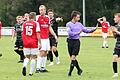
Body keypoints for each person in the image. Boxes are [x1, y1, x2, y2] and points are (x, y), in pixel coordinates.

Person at [66, 11, 97, 76]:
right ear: (74, 17)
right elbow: (70, 34)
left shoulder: (80, 24)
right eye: (78, 17)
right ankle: (79, 70)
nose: (79, 18)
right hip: (70, 41)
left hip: (76, 42)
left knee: (73, 57)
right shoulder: (68, 24)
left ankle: (70, 73)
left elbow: (86, 30)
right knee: (72, 58)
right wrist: (78, 33)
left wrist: (94, 29)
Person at [36, 5, 57, 73]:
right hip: (40, 38)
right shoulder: (37, 17)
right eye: (40, 10)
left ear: (45, 10)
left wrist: (54, 35)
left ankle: (43, 67)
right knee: (41, 52)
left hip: (46, 38)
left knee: (45, 52)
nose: (42, 11)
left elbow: (49, 27)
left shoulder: (47, 17)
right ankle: (38, 68)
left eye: (43, 9)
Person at [22, 12, 41, 76]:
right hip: (33, 42)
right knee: (33, 57)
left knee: (27, 57)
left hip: (26, 42)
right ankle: (30, 73)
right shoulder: (36, 23)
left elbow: (23, 33)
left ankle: (24, 65)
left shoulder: (24, 24)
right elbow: (38, 34)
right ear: (34, 17)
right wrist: (40, 43)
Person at [110, 13, 120, 78]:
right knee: (114, 58)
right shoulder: (116, 26)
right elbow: (115, 37)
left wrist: (116, 31)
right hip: (118, 45)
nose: (114, 19)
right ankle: (115, 73)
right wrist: (113, 32)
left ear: (119, 18)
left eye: (115, 17)